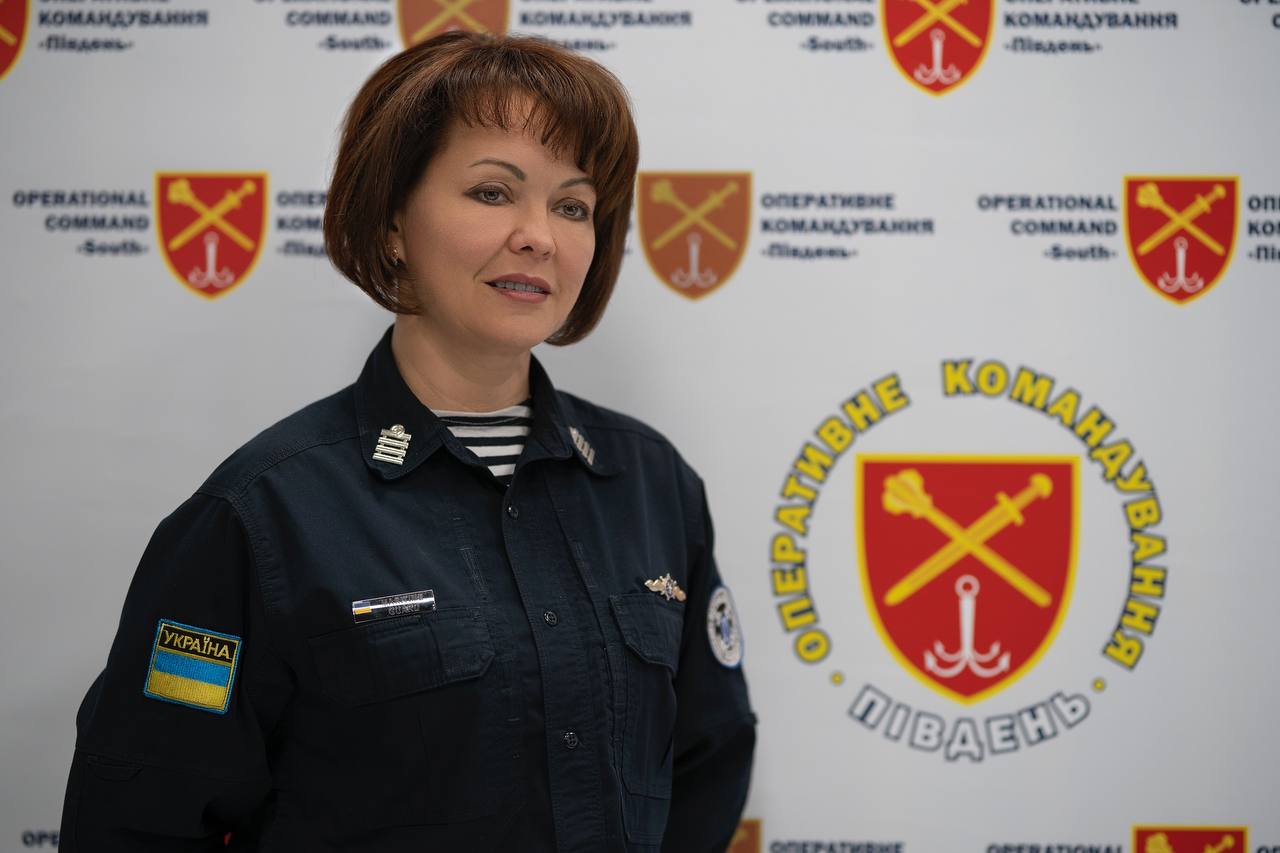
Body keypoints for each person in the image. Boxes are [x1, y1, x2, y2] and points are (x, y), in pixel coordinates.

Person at [59, 32, 755, 852]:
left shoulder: (653, 483)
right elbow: (141, 818)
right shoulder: (262, 515)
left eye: (572, 206)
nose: (540, 235)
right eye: (493, 192)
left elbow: (707, 762)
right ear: (392, 221)